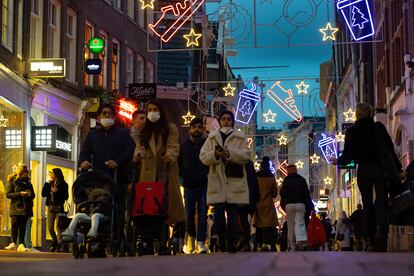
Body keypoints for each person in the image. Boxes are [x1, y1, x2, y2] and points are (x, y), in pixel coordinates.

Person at [332, 103, 403, 251]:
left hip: (363, 170)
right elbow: (389, 150)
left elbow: (348, 154)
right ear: (371, 113)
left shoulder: (352, 132)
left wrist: (339, 161)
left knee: (367, 205)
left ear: (357, 114)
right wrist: (399, 169)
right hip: (380, 169)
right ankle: (382, 238)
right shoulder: (378, 127)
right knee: (382, 204)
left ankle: (370, 240)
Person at [78, 103, 135, 254]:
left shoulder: (122, 134)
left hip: (118, 178)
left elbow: (130, 150)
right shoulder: (92, 135)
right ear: (98, 117)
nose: (107, 116)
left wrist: (117, 162)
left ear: (114, 117)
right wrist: (83, 161)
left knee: (118, 208)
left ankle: (118, 237)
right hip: (99, 179)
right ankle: (99, 238)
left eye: (110, 114)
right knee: (99, 205)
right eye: (104, 113)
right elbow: (84, 152)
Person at [136, 100, 186, 251]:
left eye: (155, 109)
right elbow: (139, 145)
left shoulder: (170, 128)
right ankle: (148, 241)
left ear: (161, 111)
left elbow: (173, 146)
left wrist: (169, 156)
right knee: (149, 205)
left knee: (165, 205)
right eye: (149, 109)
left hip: (165, 171)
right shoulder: (143, 129)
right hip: (148, 171)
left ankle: (163, 239)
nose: (152, 112)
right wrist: (138, 154)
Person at [200, 111, 250, 253]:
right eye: (223, 119)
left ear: (232, 121)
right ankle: (221, 239)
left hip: (234, 180)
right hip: (217, 180)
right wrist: (215, 154)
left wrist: (230, 153)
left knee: (233, 215)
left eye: (229, 119)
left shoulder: (240, 137)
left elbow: (247, 155)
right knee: (219, 214)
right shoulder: (212, 137)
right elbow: (203, 157)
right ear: (220, 121)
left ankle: (231, 241)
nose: (226, 121)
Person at [178, 117, 209, 254]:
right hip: (189, 185)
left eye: (199, 127)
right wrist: (182, 178)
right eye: (194, 127)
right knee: (188, 214)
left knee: (202, 214)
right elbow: (179, 165)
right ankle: (191, 237)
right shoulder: (183, 146)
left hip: (204, 184)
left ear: (202, 129)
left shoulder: (207, 145)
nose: (197, 129)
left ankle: (201, 242)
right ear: (190, 129)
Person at [280, 164, 312, 251]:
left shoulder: (285, 181)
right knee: (300, 223)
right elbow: (307, 194)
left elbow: (282, 195)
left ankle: (293, 246)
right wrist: (309, 206)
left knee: (291, 225)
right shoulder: (301, 180)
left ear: (287, 172)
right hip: (300, 204)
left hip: (289, 205)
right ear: (296, 170)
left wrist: (283, 206)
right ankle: (300, 241)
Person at [5, 165, 35, 251]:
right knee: (14, 225)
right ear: (20, 173)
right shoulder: (13, 182)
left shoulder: (29, 183)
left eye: (26, 172)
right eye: (24, 172)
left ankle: (21, 244)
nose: (25, 174)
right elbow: (8, 194)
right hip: (15, 208)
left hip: (26, 208)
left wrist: (30, 194)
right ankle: (13, 243)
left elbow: (33, 195)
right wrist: (19, 194)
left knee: (22, 226)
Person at [42, 168, 69, 252]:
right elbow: (43, 194)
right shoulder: (49, 183)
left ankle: (60, 245)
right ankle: (55, 241)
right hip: (50, 207)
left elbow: (66, 197)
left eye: (51, 173)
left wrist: (57, 191)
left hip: (59, 208)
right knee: (50, 228)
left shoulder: (64, 184)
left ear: (56, 174)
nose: (50, 174)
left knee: (58, 228)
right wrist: (48, 186)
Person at [254, 157, 278, 251]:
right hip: (268, 203)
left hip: (258, 203)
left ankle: (260, 244)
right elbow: (274, 193)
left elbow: (254, 189)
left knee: (259, 224)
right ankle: (271, 243)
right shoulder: (271, 177)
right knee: (269, 224)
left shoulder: (257, 177)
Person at [237, 160, 260, 252]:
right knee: (247, 220)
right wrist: (257, 197)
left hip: (241, 195)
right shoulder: (250, 164)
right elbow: (255, 182)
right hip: (250, 197)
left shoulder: (237, 161)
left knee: (242, 219)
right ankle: (247, 241)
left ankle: (245, 239)